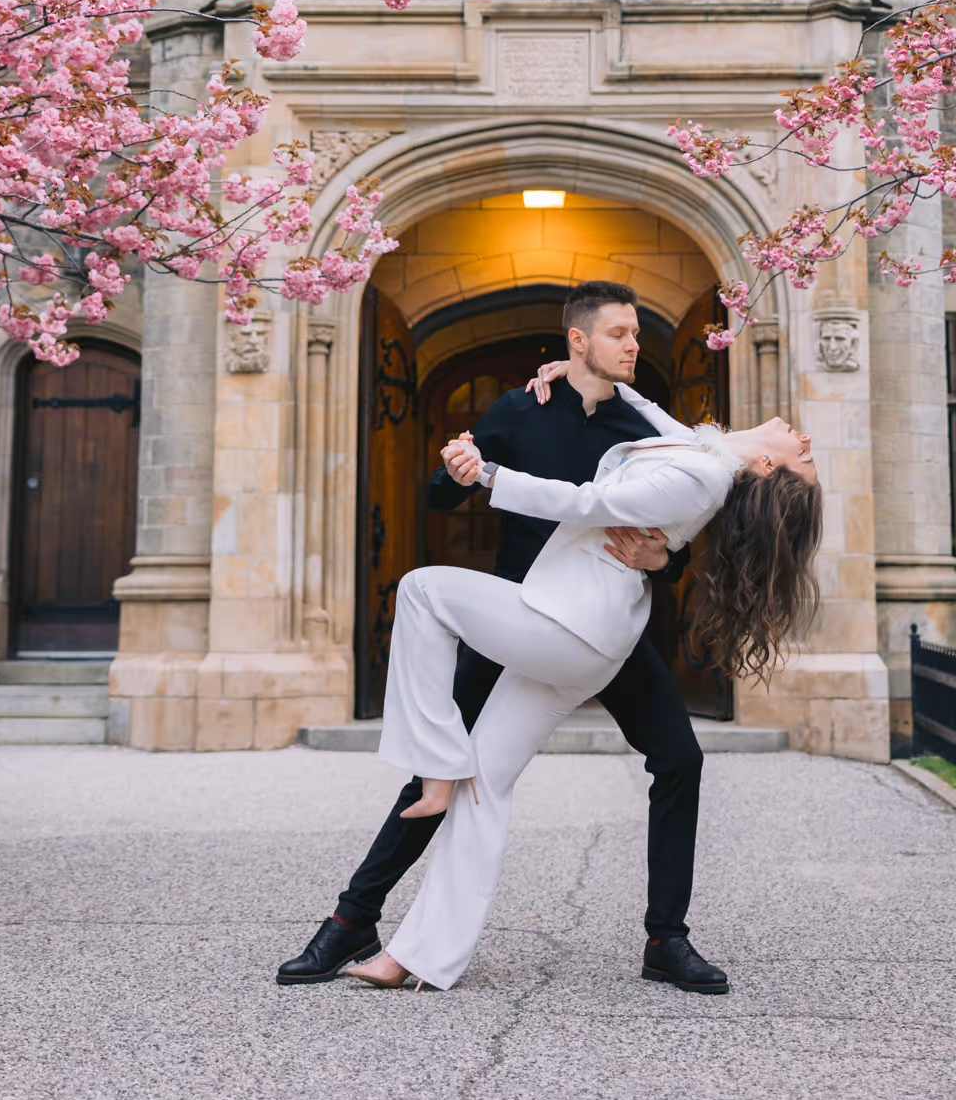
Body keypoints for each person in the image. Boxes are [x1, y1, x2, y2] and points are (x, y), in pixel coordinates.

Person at [275, 282, 731, 995]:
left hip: (602, 624)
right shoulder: (519, 408)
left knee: (680, 759)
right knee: (445, 770)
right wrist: (458, 471)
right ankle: (351, 920)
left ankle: (665, 940)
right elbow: (440, 493)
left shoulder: (644, 437)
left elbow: (669, 535)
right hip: (516, 618)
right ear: (578, 341)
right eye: (620, 334)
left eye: (637, 334)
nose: (635, 345)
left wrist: (663, 562)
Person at [344, 363, 822, 992]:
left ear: (767, 467)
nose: (808, 443)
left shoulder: (703, 472)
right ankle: (416, 957)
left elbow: (587, 502)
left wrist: (488, 475)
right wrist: (590, 373)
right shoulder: (703, 449)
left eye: (804, 461)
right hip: (585, 631)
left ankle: (434, 763)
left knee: (421, 589)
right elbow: (651, 409)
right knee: (484, 783)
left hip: (568, 625)